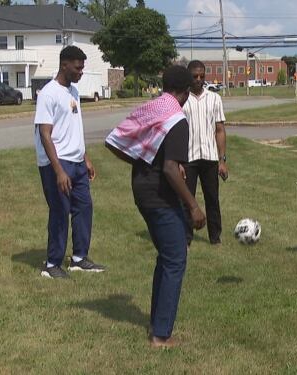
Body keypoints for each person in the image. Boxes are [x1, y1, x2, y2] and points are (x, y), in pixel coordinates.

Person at [105, 65, 206, 349]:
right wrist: (193, 207)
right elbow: (172, 170)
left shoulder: (153, 107)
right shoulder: (177, 118)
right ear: (186, 91)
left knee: (166, 256)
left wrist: (144, 162)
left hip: (141, 188)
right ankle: (161, 335)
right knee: (176, 258)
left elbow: (113, 141)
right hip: (159, 195)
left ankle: (156, 323)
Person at [34, 45, 105, 279]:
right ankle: (52, 263)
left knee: (84, 208)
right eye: (78, 67)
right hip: (58, 163)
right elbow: (45, 134)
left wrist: (85, 158)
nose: (81, 72)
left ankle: (79, 258)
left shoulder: (73, 92)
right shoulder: (48, 93)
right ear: (64, 65)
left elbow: (73, 128)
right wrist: (58, 171)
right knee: (60, 211)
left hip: (76, 162)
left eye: (82, 67)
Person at [182, 60, 228, 247]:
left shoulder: (214, 98)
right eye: (195, 76)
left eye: (202, 76)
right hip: (188, 158)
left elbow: (219, 130)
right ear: (188, 77)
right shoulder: (182, 99)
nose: (199, 80)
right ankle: (186, 238)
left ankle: (215, 237)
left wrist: (222, 160)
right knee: (187, 199)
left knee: (212, 199)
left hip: (209, 157)